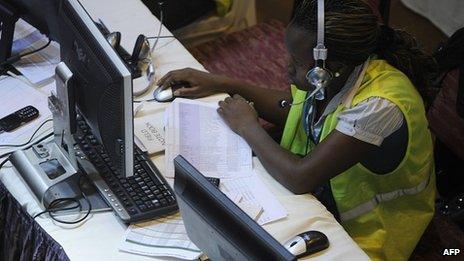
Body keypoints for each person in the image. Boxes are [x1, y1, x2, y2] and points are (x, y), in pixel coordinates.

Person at [158, 0, 437, 259]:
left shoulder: (379, 107)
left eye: (298, 63)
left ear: (330, 69)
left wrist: (247, 126)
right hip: (321, 203)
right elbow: (296, 107)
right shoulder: (341, 73)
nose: (287, 68)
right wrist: (222, 83)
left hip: (368, 235)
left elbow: (299, 176)